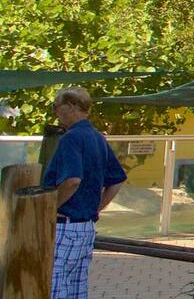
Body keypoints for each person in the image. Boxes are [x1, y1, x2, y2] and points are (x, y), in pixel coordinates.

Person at [42, 87, 127, 299]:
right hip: (86, 227)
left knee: (53, 286)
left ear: (70, 106)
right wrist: (95, 208)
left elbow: (72, 180)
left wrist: (50, 209)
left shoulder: (71, 138)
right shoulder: (97, 137)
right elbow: (117, 180)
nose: (55, 112)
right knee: (76, 289)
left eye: (56, 106)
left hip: (64, 226)